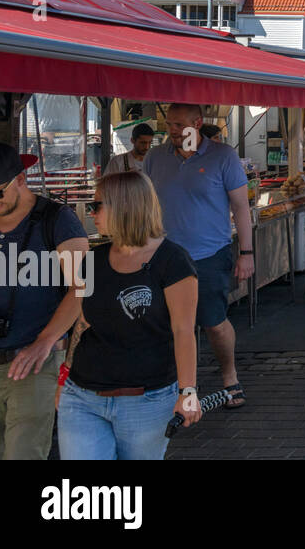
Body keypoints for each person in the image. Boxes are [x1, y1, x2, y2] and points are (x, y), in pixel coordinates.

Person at [58, 171, 199, 459]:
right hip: (83, 395)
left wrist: (188, 390)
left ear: (124, 206)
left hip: (147, 399)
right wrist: (63, 378)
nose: (91, 213)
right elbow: (83, 324)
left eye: (98, 205)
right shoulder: (94, 260)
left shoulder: (172, 261)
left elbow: (183, 331)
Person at [143, 102, 252, 409]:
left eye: (179, 125)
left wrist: (246, 252)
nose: (173, 131)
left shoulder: (223, 157)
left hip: (209, 255)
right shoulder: (155, 157)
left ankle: (230, 377)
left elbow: (242, 208)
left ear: (198, 122)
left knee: (214, 323)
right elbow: (146, 206)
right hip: (163, 257)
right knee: (165, 324)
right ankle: (173, 385)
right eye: (169, 124)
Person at [0, 145, 89, 460]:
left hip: (33, 361)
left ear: (21, 179)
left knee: (23, 453)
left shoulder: (57, 219)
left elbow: (83, 287)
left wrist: (45, 341)